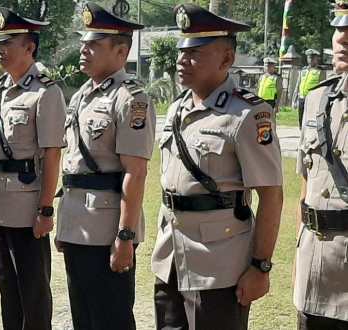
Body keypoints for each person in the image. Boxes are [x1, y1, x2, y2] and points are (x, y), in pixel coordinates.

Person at [151, 4, 284, 330]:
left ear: (226, 59)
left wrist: (260, 267)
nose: (183, 59)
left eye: (195, 52)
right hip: (171, 258)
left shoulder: (247, 115)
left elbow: (271, 196)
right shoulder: (177, 108)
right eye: (182, 51)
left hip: (219, 267)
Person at [54, 3, 154, 330]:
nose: (84, 49)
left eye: (94, 44)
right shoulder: (82, 95)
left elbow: (135, 172)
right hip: (77, 225)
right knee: (83, 317)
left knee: (111, 318)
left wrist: (125, 236)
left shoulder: (131, 99)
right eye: (84, 43)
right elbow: (73, 167)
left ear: (121, 51)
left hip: (107, 229)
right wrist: (63, 224)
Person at [0, 7, 66, 330]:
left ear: (29, 47)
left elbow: (51, 156)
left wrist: (46, 209)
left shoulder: (46, 92)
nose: (0, 50)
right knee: (8, 290)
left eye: (9, 43)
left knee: (33, 292)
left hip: (28, 208)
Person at [294, 2, 348, 329]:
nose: (342, 39)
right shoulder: (318, 99)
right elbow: (306, 178)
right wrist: (299, 258)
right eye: (339, 29)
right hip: (316, 265)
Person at [294, 49, 326, 127]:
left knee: (310, 119)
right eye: (309, 58)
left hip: (313, 99)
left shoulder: (320, 71)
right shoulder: (303, 70)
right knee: (301, 118)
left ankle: (309, 135)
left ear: (316, 59)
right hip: (302, 98)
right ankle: (302, 132)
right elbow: (298, 85)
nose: (310, 60)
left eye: (312, 58)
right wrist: (294, 99)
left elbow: (323, 87)